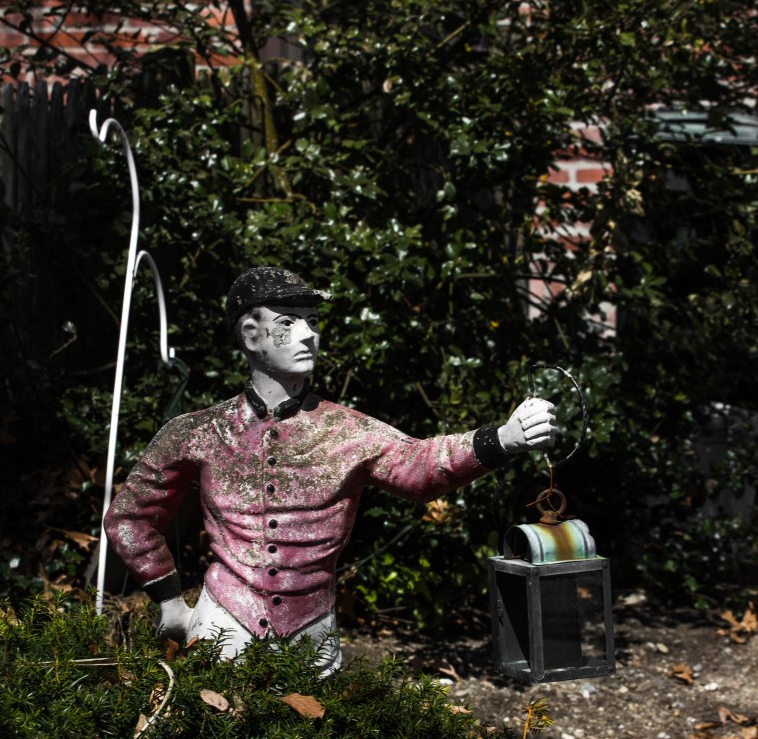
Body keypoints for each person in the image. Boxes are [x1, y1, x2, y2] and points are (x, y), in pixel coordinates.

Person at [104, 266, 556, 671]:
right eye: (288, 323)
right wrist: (169, 601)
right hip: (222, 628)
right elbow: (128, 518)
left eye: (313, 323)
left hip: (312, 635)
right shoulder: (197, 432)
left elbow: (419, 466)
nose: (308, 335)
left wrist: (502, 438)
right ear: (250, 334)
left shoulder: (348, 431)